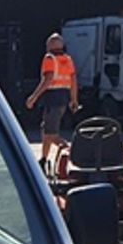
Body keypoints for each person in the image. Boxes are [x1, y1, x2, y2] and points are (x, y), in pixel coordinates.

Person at [25, 32, 79, 170]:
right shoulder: (68, 59)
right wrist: (74, 100)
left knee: (51, 134)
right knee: (46, 128)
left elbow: (47, 80)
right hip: (63, 98)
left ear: (49, 45)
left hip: (52, 98)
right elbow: (73, 81)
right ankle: (43, 159)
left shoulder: (49, 59)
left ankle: (72, 151)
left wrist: (34, 96)